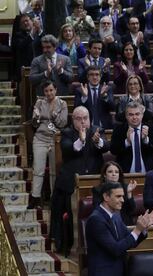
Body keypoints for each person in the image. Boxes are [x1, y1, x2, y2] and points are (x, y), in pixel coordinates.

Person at [50, 106, 109, 254]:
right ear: (73, 120)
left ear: (89, 118)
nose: (82, 122)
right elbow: (67, 149)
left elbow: (107, 146)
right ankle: (68, 245)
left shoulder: (97, 130)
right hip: (71, 182)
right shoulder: (67, 133)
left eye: (85, 118)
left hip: (95, 181)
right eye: (78, 119)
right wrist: (81, 141)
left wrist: (98, 142)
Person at [86, 182, 153, 276]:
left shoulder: (116, 215)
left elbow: (129, 239)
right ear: (106, 197)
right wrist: (137, 229)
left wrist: (143, 228)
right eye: (118, 196)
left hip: (119, 270)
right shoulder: (96, 219)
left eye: (123, 196)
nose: (123, 200)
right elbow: (116, 249)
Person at [27, 81, 68, 209]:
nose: (49, 93)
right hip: (40, 138)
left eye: (51, 90)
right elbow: (34, 125)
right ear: (43, 92)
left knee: (54, 171)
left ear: (55, 90)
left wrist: (55, 116)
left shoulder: (62, 104)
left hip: (55, 139)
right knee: (38, 170)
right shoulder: (39, 103)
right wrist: (36, 118)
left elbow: (63, 123)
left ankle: (54, 199)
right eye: (46, 91)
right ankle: (35, 198)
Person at [110, 102, 153, 173]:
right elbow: (113, 150)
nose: (134, 117)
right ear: (126, 116)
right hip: (126, 172)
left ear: (142, 115)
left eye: (137, 114)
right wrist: (127, 142)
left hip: (148, 172)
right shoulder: (119, 130)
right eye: (131, 115)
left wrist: (146, 140)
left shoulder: (151, 129)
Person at [92, 161, 137, 225]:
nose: (114, 174)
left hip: (125, 224)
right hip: (107, 223)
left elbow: (132, 210)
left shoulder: (126, 187)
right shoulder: (98, 190)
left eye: (116, 172)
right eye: (110, 172)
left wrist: (129, 193)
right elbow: (97, 210)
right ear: (104, 175)